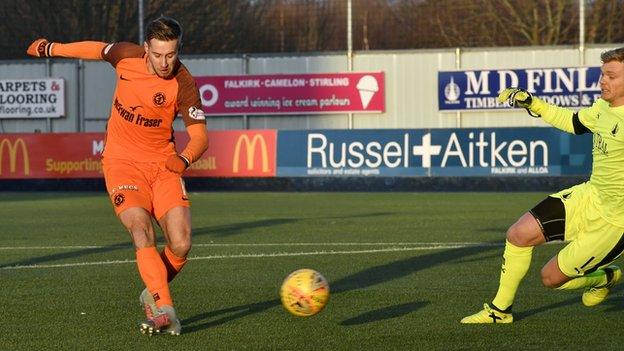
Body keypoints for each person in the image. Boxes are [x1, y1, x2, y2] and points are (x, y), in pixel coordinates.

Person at [27, 16, 209, 335]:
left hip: (163, 164)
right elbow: (95, 49)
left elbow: (200, 136)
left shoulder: (184, 81)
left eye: (172, 54)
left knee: (181, 244)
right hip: (122, 162)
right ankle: (164, 307)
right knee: (141, 229)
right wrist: (51, 48)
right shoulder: (126, 55)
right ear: (146, 49)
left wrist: (184, 157)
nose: (165, 62)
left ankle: (153, 288)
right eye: (158, 54)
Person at [461, 47, 624, 324]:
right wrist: (532, 103)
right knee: (518, 234)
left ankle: (606, 276)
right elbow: (571, 122)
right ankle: (500, 311)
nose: (602, 81)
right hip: (590, 196)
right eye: (601, 74)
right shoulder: (602, 109)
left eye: (611, 75)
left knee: (550, 279)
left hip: (614, 222)